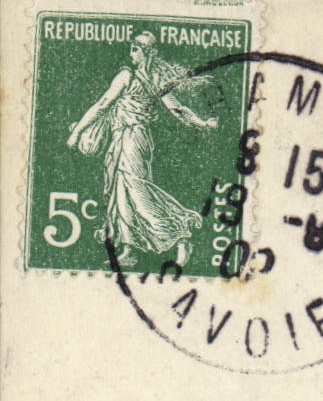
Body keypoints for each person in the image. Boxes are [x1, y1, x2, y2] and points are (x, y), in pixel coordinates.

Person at [65, 31, 218, 268]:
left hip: (133, 139)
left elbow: (104, 104)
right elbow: (177, 110)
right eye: (132, 47)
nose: (131, 52)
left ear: (148, 53)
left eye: (136, 48)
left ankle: (180, 238)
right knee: (121, 193)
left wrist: (77, 132)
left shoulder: (131, 77)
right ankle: (129, 249)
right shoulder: (150, 80)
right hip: (124, 138)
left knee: (136, 192)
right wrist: (202, 123)